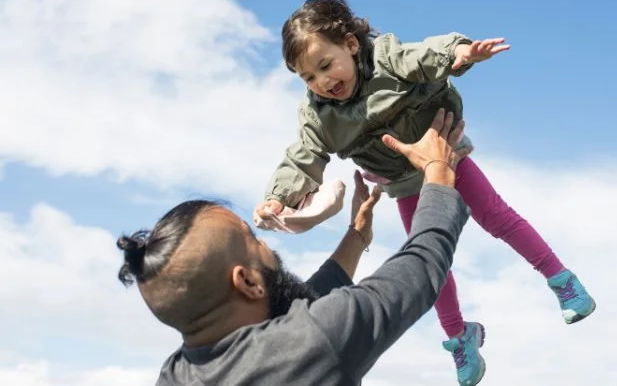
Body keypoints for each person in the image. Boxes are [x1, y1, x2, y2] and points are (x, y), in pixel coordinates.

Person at [255, 0, 597, 385]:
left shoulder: (386, 58)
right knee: (428, 256)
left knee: (497, 217)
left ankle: (561, 279)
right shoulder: (318, 114)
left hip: (444, 156)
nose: (322, 82)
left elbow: (423, 55)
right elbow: (304, 154)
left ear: (351, 45)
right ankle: (459, 336)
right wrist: (279, 196)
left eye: (325, 65)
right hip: (404, 184)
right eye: (308, 77)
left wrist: (461, 52)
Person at [118, 109, 475, 386]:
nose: (265, 244)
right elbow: (420, 268)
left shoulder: (176, 374)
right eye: (252, 239)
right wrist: (438, 175)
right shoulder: (317, 342)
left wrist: (356, 237)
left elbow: (296, 310)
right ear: (246, 282)